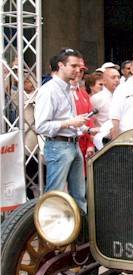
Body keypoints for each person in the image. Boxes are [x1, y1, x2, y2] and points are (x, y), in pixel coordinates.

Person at [34, 48, 88, 212]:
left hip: (72, 144)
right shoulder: (48, 90)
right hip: (58, 146)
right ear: (60, 65)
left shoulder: (67, 89)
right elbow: (41, 126)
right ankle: (51, 234)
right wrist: (70, 122)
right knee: (55, 195)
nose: (78, 70)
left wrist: (82, 128)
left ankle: (81, 234)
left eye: (79, 66)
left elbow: (67, 121)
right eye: (73, 66)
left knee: (79, 195)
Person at [91, 62, 121, 128]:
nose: (117, 80)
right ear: (104, 80)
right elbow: (90, 120)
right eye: (113, 77)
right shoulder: (97, 98)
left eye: (118, 77)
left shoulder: (122, 96)